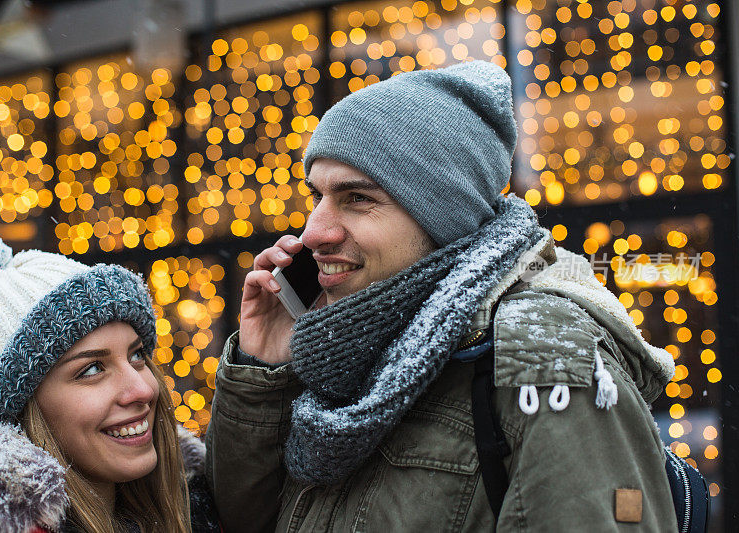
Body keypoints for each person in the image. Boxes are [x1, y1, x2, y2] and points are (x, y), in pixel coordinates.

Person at [206, 61, 679, 531]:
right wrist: (263, 370)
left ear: (443, 216)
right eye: (318, 197)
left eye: (357, 198)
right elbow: (245, 521)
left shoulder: (539, 354)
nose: (313, 232)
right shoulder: (340, 345)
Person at [0, 231, 220, 533]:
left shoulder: (199, 504)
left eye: (137, 355)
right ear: (19, 415)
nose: (144, 389)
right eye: (91, 370)